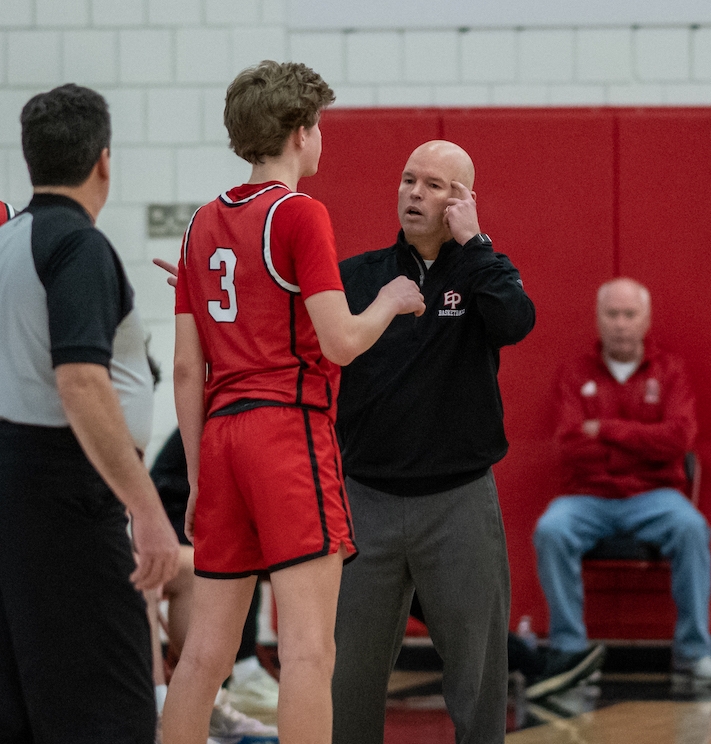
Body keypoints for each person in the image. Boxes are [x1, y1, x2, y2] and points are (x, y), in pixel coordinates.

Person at [160, 61, 425, 744]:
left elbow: (188, 370)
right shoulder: (300, 213)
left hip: (219, 440)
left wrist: (195, 474)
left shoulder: (200, 223)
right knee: (310, 649)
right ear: (302, 132)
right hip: (286, 432)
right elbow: (340, 342)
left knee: (203, 656)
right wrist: (390, 302)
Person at [331, 139, 536, 744]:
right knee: (351, 676)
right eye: (409, 180)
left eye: (434, 185)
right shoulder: (359, 275)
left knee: (477, 676)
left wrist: (476, 245)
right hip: (365, 499)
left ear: (462, 201)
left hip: (460, 502)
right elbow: (289, 322)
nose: (416, 194)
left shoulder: (481, 273)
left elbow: (516, 321)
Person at [0, 84, 179, 742]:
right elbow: (79, 380)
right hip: (69, 496)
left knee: (31, 709)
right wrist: (148, 509)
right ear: (105, 160)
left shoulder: (10, 239)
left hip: (19, 490)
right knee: (112, 714)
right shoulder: (78, 246)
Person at [531, 277, 711, 697]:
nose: (620, 323)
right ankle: (571, 653)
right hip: (587, 496)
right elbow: (569, 447)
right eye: (612, 314)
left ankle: (694, 652)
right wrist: (643, 445)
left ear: (646, 319)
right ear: (599, 319)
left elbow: (679, 440)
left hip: (654, 497)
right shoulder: (574, 373)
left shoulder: (669, 371)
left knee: (692, 529)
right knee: (551, 530)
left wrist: (604, 429)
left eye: (629, 314)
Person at [148, 429, 280, 740]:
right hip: (174, 509)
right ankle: (156, 709)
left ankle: (214, 696)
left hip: (194, 502)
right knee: (227, 564)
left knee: (229, 560)